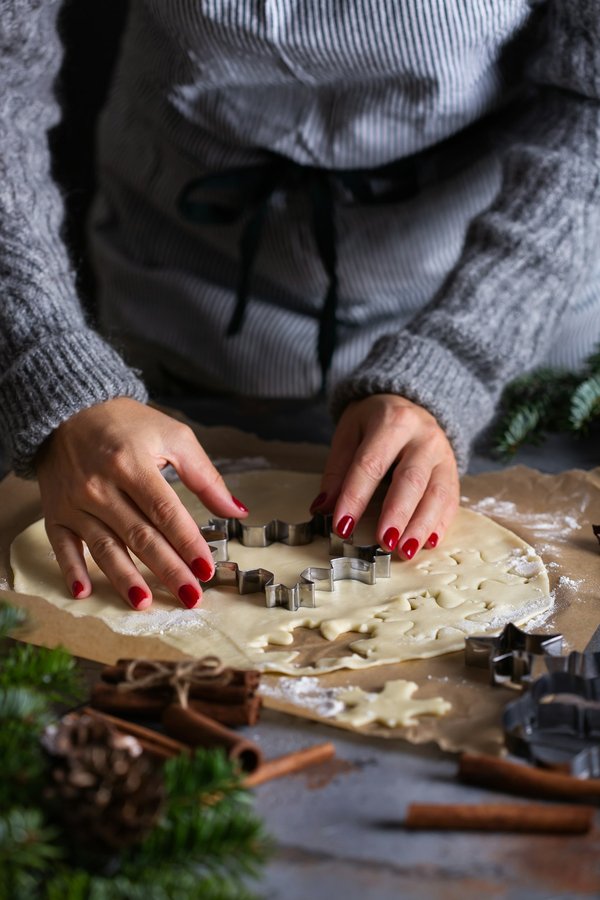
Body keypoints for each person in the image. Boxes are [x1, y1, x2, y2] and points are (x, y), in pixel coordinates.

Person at [1, 0, 599, 611]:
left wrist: (459, 357)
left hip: (499, 283)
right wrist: (48, 358)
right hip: (185, 265)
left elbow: (591, 110)